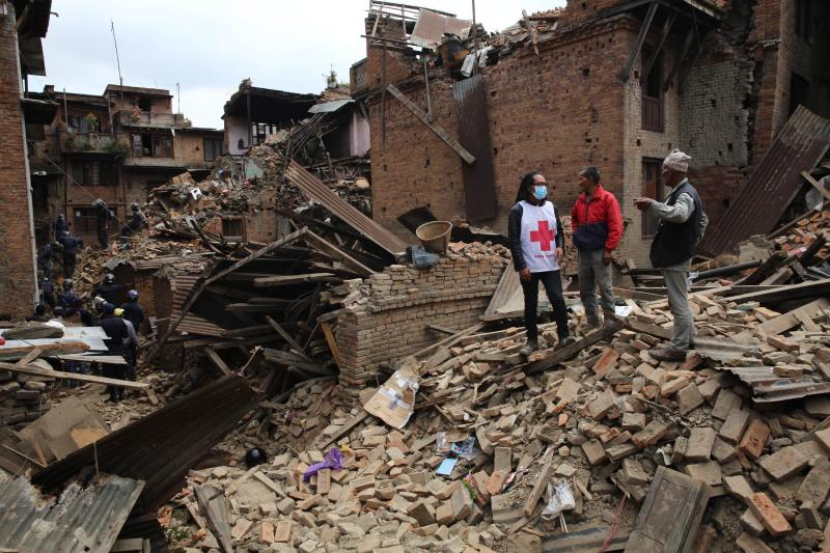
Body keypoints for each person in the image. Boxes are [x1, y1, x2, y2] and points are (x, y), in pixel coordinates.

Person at [635, 149, 709, 362]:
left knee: (678, 303)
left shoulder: (685, 194)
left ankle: (677, 348)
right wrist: (692, 242)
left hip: (677, 256)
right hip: (678, 254)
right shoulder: (683, 191)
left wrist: (652, 206)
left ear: (672, 172)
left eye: (664, 171)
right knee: (680, 298)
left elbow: (681, 214)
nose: (662, 175)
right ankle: (690, 338)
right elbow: (703, 220)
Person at [508, 171, 575, 356]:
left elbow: (558, 232)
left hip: (550, 264)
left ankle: (564, 336)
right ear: (529, 187)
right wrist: (521, 266)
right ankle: (532, 341)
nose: (543, 187)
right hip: (529, 266)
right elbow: (514, 241)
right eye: (539, 184)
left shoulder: (551, 207)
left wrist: (560, 246)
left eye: (545, 184)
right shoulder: (518, 210)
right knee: (531, 303)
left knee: (557, 298)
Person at [571, 166, 623, 328]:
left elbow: (616, 225)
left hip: (600, 251)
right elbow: (574, 220)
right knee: (585, 288)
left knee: (604, 287)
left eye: (582, 179)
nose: (579, 182)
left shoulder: (607, 199)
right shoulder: (580, 201)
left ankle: (609, 322)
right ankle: (593, 322)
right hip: (584, 251)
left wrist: (609, 249)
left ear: (591, 180)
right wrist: (577, 234)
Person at [98, 303, 129, 402]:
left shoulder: (101, 323)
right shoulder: (120, 321)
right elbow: (125, 335)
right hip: (120, 349)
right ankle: (121, 393)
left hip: (107, 351)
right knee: (120, 372)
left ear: (104, 311)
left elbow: (99, 339)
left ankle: (113, 396)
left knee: (109, 374)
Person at [116, 307, 139, 381]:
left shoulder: (114, 324)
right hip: (127, 345)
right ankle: (132, 378)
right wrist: (135, 343)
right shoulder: (128, 323)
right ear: (122, 315)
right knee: (129, 361)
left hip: (117, 346)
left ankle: (122, 377)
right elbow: (133, 335)